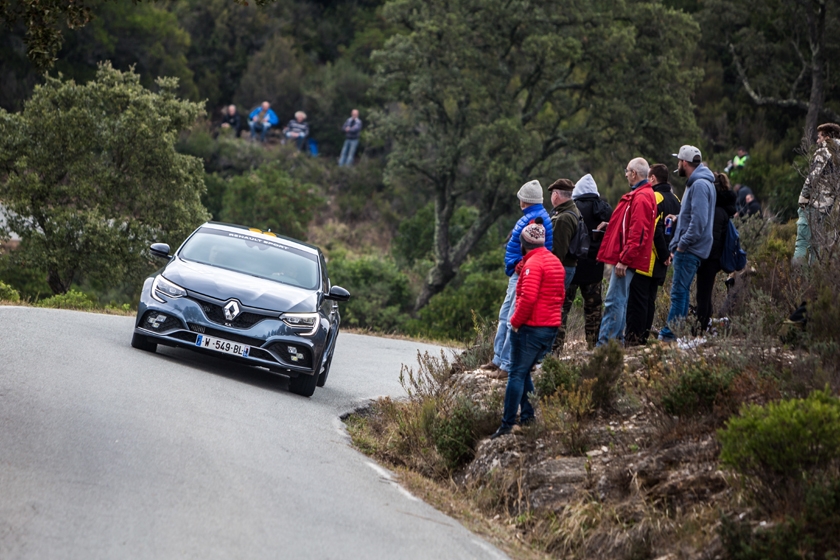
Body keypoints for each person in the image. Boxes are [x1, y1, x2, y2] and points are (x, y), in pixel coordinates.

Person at [490, 218, 564, 439]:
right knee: (525, 371)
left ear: (524, 244)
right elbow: (560, 295)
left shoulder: (533, 265)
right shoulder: (554, 261)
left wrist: (514, 322)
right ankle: (529, 417)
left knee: (515, 374)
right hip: (550, 328)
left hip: (531, 328)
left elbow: (528, 298)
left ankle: (507, 423)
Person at [481, 181, 553, 378]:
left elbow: (536, 246)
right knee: (505, 315)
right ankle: (498, 359)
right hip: (518, 272)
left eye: (521, 197)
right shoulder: (534, 216)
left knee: (513, 317)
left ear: (525, 200)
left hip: (522, 274)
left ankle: (506, 364)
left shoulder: (536, 219)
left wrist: (521, 266)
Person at [595, 158, 657, 347]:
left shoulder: (640, 197)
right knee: (619, 299)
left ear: (634, 174)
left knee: (614, 301)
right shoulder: (642, 195)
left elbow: (638, 233)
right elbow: (631, 225)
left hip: (626, 259)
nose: (626, 174)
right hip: (627, 257)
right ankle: (615, 341)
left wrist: (624, 259)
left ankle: (606, 345)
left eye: (627, 171)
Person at [658, 145, 716, 342]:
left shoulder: (699, 185)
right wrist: (679, 217)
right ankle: (676, 332)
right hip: (695, 247)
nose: (678, 165)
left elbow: (699, 221)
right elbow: (694, 215)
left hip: (690, 249)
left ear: (684, 162)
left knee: (678, 293)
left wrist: (682, 244)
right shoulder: (703, 182)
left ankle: (669, 335)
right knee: (681, 291)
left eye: (679, 162)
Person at [625, 164, 681, 346]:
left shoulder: (653, 197)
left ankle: (634, 339)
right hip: (666, 259)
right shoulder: (676, 199)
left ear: (653, 178)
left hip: (649, 258)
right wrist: (671, 253)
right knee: (650, 301)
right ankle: (643, 337)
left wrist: (664, 253)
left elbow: (653, 229)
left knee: (638, 302)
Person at [555, 174, 612, 350]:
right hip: (595, 267)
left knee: (562, 310)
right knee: (594, 310)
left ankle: (556, 347)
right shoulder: (606, 210)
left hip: (573, 266)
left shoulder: (572, 209)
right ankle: (594, 346)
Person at [694, 172, 737, 332]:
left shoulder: (715, 211)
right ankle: (704, 323)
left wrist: (702, 257)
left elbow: (713, 237)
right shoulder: (725, 210)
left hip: (709, 257)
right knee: (705, 293)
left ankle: (701, 326)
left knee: (703, 295)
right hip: (715, 258)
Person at [793, 122, 840, 264]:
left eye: (819, 137)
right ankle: (815, 279)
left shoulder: (823, 152)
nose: (817, 140)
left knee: (801, 242)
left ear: (826, 137)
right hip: (828, 206)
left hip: (814, 203)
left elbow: (813, 177)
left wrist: (803, 198)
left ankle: (795, 278)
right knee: (815, 245)